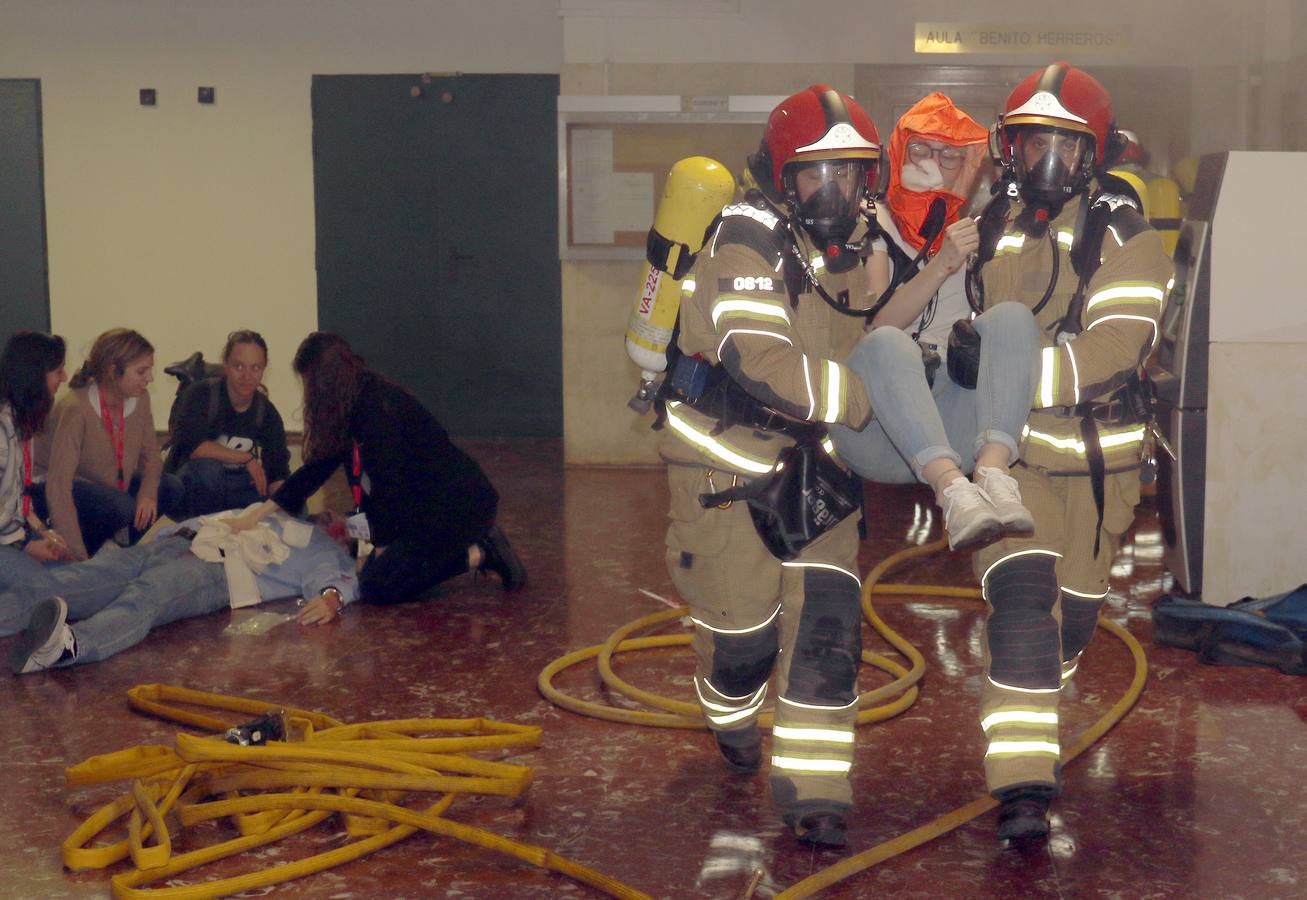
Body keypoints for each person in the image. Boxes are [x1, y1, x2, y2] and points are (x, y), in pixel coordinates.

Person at [660, 85, 883, 847]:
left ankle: (813, 792)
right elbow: (761, 365)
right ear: (780, 177)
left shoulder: (852, 249)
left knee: (826, 638)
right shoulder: (741, 242)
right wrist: (867, 402)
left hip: (819, 474)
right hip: (727, 474)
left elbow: (870, 332)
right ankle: (726, 708)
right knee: (743, 646)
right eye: (817, 173)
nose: (836, 191)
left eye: (850, 174)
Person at [964, 63, 1172, 842]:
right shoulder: (993, 221)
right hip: (1008, 467)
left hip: (1095, 469)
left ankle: (1037, 698)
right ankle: (1021, 784)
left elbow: (1117, 347)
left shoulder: (1123, 231)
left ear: (1094, 154)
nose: (1045, 160)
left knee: (1068, 627)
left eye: (1064, 143)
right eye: (1030, 141)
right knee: (1021, 612)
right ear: (1006, 148)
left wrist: (1008, 375)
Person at [829, 92, 1043, 551]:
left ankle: (993, 474)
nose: (933, 163)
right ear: (900, 152)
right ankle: (951, 491)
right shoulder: (871, 227)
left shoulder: (977, 231)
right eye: (921, 149)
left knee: (1012, 318)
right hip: (881, 423)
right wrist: (941, 264)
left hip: (952, 417)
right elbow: (874, 325)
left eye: (949, 154)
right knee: (890, 343)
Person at [225, 332, 525, 602]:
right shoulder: (350, 402)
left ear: (323, 380)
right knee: (379, 572)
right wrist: (259, 513)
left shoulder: (377, 410)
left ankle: (482, 551)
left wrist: (381, 549)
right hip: (422, 507)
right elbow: (316, 468)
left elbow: (390, 488)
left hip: (458, 509)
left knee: (377, 586)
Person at [6, 508, 358, 673]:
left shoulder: (324, 548)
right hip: (172, 542)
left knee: (145, 597)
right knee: (76, 578)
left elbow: (337, 581)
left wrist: (331, 597)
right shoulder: (273, 510)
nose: (329, 517)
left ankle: (67, 647)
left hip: (217, 568)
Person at [31, 328, 185, 560]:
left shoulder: (140, 399)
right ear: (114, 371)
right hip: (57, 486)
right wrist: (76, 556)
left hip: (109, 481)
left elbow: (152, 458)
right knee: (120, 507)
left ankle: (128, 552)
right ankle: (88, 551)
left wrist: (148, 494)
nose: (150, 378)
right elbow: (58, 486)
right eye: (142, 371)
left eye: (149, 370)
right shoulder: (76, 408)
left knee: (170, 487)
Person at [165, 330, 292, 516]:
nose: (247, 376)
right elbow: (194, 447)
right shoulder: (200, 394)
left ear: (265, 369)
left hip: (236, 489)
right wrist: (245, 457)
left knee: (293, 503)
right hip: (191, 488)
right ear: (225, 364)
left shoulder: (267, 413)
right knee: (209, 470)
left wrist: (282, 508)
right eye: (239, 366)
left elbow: (277, 471)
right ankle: (203, 533)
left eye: (255, 368)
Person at [0, 332, 74, 591]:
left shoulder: (20, 420)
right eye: (58, 371)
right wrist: (27, 546)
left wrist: (43, 531)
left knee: (75, 577)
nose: (64, 378)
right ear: (35, 376)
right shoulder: (2, 427)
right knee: (53, 591)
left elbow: (15, 496)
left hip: (13, 536)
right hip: (6, 542)